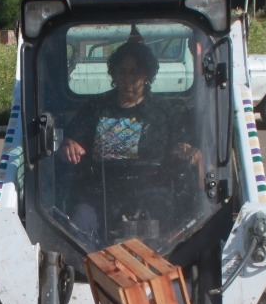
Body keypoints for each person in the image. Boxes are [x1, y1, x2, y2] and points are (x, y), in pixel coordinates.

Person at [58, 42, 199, 241]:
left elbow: (186, 147)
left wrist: (187, 150)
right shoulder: (96, 108)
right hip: (101, 191)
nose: (128, 79)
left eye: (135, 72)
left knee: (166, 219)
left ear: (146, 75)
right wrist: (69, 146)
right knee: (80, 219)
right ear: (113, 74)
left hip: (152, 190)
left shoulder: (164, 112)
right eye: (122, 72)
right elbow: (70, 142)